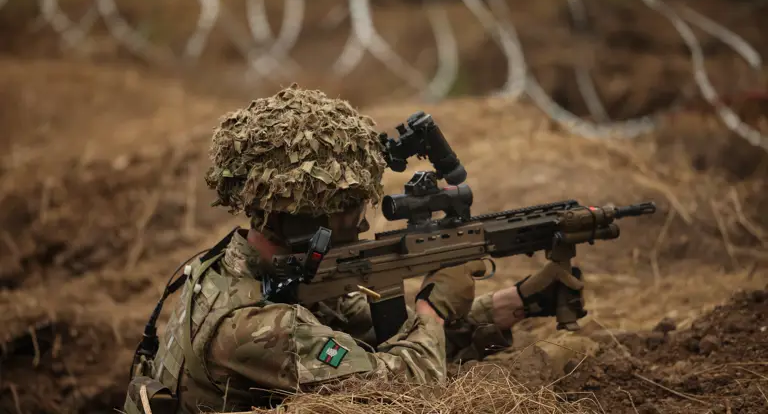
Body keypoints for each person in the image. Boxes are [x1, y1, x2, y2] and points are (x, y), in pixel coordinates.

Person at [123, 84, 585, 413]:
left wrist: (513, 304)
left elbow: (378, 337)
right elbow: (399, 390)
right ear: (303, 219)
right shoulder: (259, 328)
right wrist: (434, 311)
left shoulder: (251, 268)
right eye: (347, 209)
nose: (363, 222)